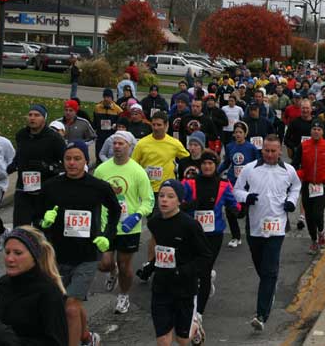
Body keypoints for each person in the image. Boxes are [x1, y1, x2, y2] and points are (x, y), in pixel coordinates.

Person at [38, 141, 121, 346]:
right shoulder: (51, 186)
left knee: (71, 307)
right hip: (58, 255)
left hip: (87, 255)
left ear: (86, 160)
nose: (72, 163)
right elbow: (37, 214)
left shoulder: (98, 186)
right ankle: (87, 337)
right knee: (65, 304)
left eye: (77, 159)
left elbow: (115, 210)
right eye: (68, 159)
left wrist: (106, 236)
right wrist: (43, 220)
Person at [233, 135, 301, 332]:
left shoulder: (288, 171)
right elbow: (237, 189)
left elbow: (296, 187)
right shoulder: (249, 169)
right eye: (267, 150)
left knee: (269, 269)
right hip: (255, 226)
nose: (270, 154)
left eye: (273, 151)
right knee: (262, 268)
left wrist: (291, 201)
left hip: (277, 226)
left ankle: (261, 315)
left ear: (280, 151)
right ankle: (269, 288)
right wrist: (247, 197)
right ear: (262, 150)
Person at [141, 179, 212, 345]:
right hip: (161, 287)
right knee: (163, 340)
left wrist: (183, 271)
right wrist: (150, 268)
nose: (164, 200)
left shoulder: (190, 225)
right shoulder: (154, 223)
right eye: (162, 196)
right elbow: (161, 251)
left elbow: (206, 256)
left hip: (184, 288)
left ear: (179, 200)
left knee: (182, 339)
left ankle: (195, 326)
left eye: (170, 196)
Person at [93, 131, 154, 315]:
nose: (117, 146)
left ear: (129, 146)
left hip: (129, 226)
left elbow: (148, 200)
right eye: (115, 143)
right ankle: (112, 272)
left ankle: (124, 295)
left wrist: (137, 216)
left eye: (121, 144)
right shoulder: (102, 170)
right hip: (106, 225)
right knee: (104, 263)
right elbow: (93, 195)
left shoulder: (137, 171)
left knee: (125, 264)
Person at [181, 151, 240, 334]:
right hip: (193, 233)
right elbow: (180, 203)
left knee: (204, 272)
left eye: (211, 163)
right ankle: (191, 301)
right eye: (204, 163)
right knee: (193, 271)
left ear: (216, 166)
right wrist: (190, 206)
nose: (207, 166)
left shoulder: (223, 184)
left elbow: (235, 205)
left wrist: (239, 209)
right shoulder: (189, 183)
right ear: (200, 166)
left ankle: (199, 312)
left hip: (214, 234)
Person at [0, 226, 68, 345]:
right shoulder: (3, 283)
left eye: (18, 253)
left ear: (34, 256)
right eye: (7, 252)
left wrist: (8, 339)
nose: (9, 258)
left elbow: (57, 342)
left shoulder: (48, 292)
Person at [9, 104, 67, 227]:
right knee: (20, 229)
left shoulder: (54, 138)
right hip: (23, 190)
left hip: (44, 191)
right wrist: (13, 165)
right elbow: (20, 154)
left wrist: (49, 167)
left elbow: (67, 163)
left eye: (36, 115)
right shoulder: (21, 135)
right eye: (30, 115)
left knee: (42, 229)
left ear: (44, 119)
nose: (32, 118)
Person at [292, 120, 325, 254]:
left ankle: (321, 232)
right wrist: (299, 173)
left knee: (317, 213)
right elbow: (294, 164)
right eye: (314, 129)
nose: (316, 131)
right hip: (308, 184)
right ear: (311, 131)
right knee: (308, 214)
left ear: (322, 132)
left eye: (319, 129)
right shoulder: (303, 146)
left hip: (323, 185)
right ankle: (314, 241)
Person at [132, 114, 190, 214]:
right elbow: (133, 165)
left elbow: (188, 160)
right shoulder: (142, 143)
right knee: (152, 220)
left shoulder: (174, 143)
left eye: (159, 125)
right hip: (147, 189)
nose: (156, 128)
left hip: (167, 189)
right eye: (153, 124)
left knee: (166, 220)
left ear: (166, 125)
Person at [218, 122, 259, 247]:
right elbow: (226, 163)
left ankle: (252, 233)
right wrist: (216, 172)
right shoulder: (230, 146)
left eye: (240, 132)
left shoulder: (251, 148)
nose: (238, 134)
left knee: (243, 212)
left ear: (245, 134)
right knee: (230, 210)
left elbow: (257, 165)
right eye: (236, 132)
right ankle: (236, 237)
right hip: (232, 182)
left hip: (246, 185)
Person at [0, 134, 15, 251]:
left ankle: (3, 233)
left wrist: (3, 173)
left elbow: (12, 160)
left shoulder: (3, 142)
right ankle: (3, 231)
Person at [93, 89, 123, 155]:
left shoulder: (118, 110)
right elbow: (95, 121)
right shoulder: (97, 108)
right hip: (100, 134)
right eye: (105, 97)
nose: (106, 99)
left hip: (112, 134)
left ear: (112, 98)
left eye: (108, 97)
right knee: (99, 151)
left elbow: (120, 122)